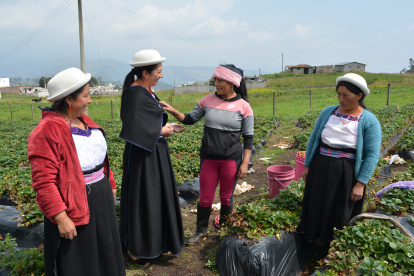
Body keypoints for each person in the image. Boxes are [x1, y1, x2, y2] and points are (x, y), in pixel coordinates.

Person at [27, 68, 125, 276]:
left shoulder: (84, 121)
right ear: (69, 100)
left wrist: (111, 182)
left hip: (101, 197)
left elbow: (100, 158)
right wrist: (61, 217)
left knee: (105, 249)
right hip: (73, 204)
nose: (90, 100)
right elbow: (44, 182)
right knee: (80, 258)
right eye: (86, 96)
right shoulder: (47, 131)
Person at [161, 64, 254, 245]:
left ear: (232, 82)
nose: (216, 84)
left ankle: (225, 231)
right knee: (205, 196)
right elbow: (189, 119)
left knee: (226, 197)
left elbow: (248, 137)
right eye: (215, 80)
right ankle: (201, 231)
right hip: (209, 159)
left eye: (220, 80)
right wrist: (172, 110)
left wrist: (245, 163)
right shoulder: (208, 100)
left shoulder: (244, 107)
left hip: (230, 160)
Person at [297, 73, 381, 250]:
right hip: (321, 166)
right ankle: (312, 241)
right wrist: (307, 166)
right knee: (316, 204)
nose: (341, 99)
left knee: (339, 210)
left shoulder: (369, 121)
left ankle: (332, 248)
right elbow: (314, 140)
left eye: (346, 95)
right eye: (339, 94)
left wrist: (361, 183)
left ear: (359, 96)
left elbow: (372, 155)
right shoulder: (328, 112)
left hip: (346, 173)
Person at [119, 49, 185, 266]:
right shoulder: (135, 94)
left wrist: (165, 127)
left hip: (154, 154)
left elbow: (147, 122)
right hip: (142, 157)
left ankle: (156, 243)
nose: (162, 76)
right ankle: (138, 250)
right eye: (159, 72)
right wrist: (160, 131)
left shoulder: (146, 91)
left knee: (155, 197)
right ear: (145, 73)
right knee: (143, 199)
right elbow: (133, 127)